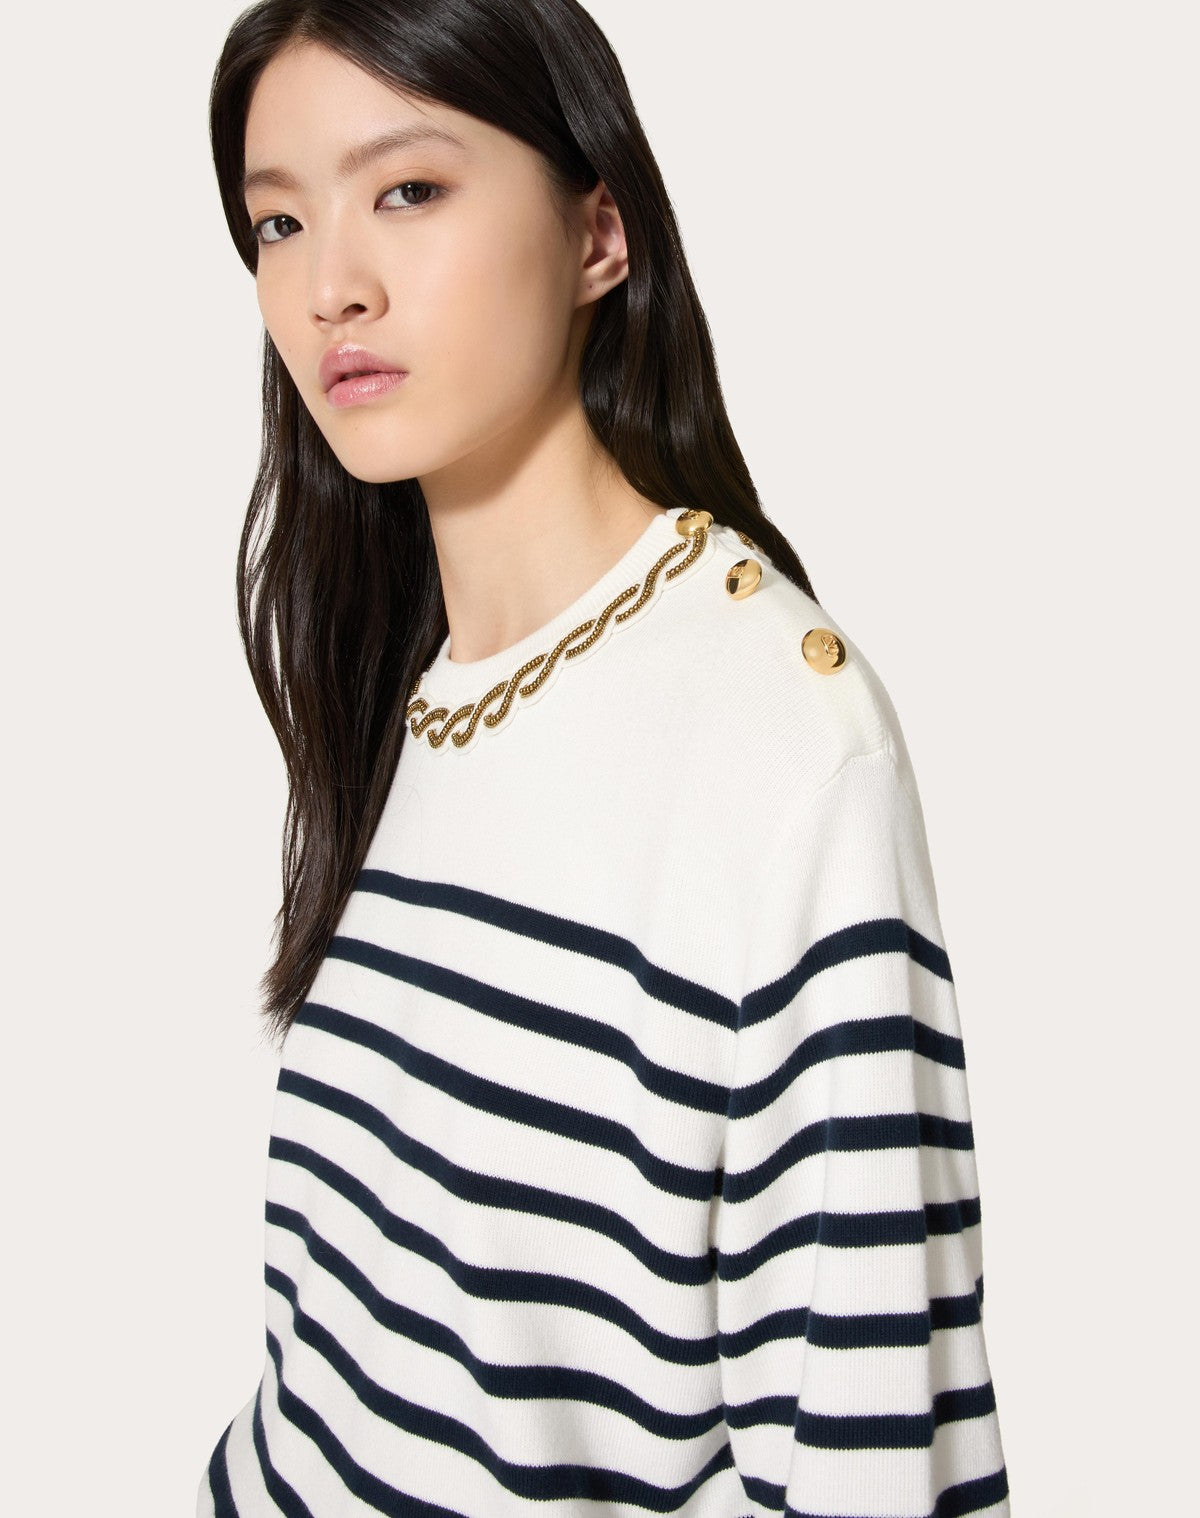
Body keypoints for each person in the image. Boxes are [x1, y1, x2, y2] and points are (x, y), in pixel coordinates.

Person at [197, 1, 1010, 1514]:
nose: (329, 286)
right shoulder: (415, 683)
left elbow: (875, 1441)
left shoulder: (782, 745)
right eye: (278, 222)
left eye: (408, 190)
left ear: (599, 233)